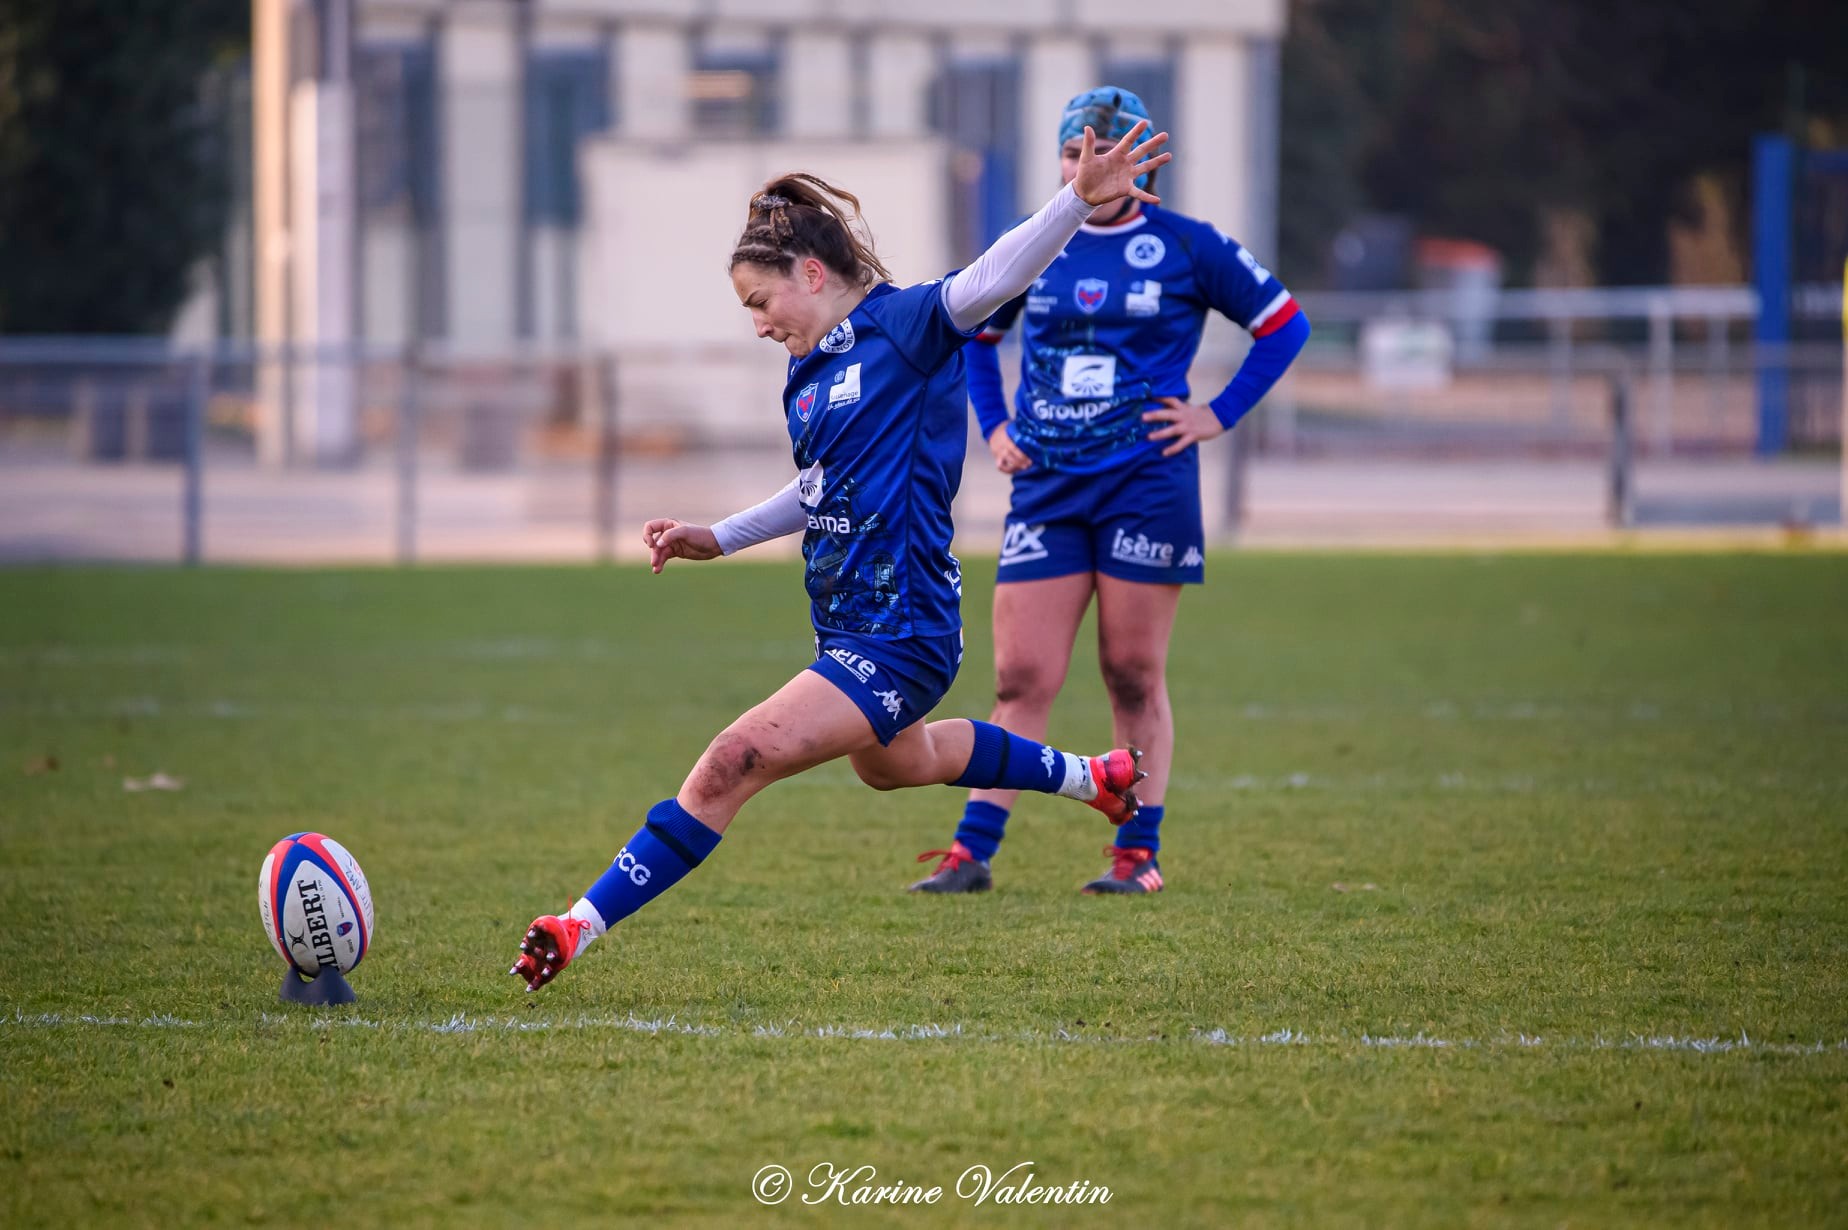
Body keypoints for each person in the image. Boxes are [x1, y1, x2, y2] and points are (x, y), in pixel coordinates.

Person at [510, 118, 1173, 992]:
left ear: (810, 274)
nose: (755, 324)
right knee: (900, 766)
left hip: (902, 629)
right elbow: (823, 487)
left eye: (759, 301)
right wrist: (721, 534)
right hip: (851, 625)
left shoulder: (905, 326)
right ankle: (1095, 777)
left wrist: (1073, 204)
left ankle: (576, 923)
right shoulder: (809, 373)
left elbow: (995, 273)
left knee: (729, 763)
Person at [909, 86, 1311, 897]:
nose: (1087, 164)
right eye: (1071, 151)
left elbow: (1283, 323)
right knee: (1021, 677)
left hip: (1144, 483)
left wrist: (1216, 415)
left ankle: (1137, 855)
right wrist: (995, 428)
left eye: (1105, 149)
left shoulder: (1188, 246)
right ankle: (971, 854)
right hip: (1048, 487)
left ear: (1142, 161)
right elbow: (978, 337)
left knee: (1130, 672)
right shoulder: (1036, 246)